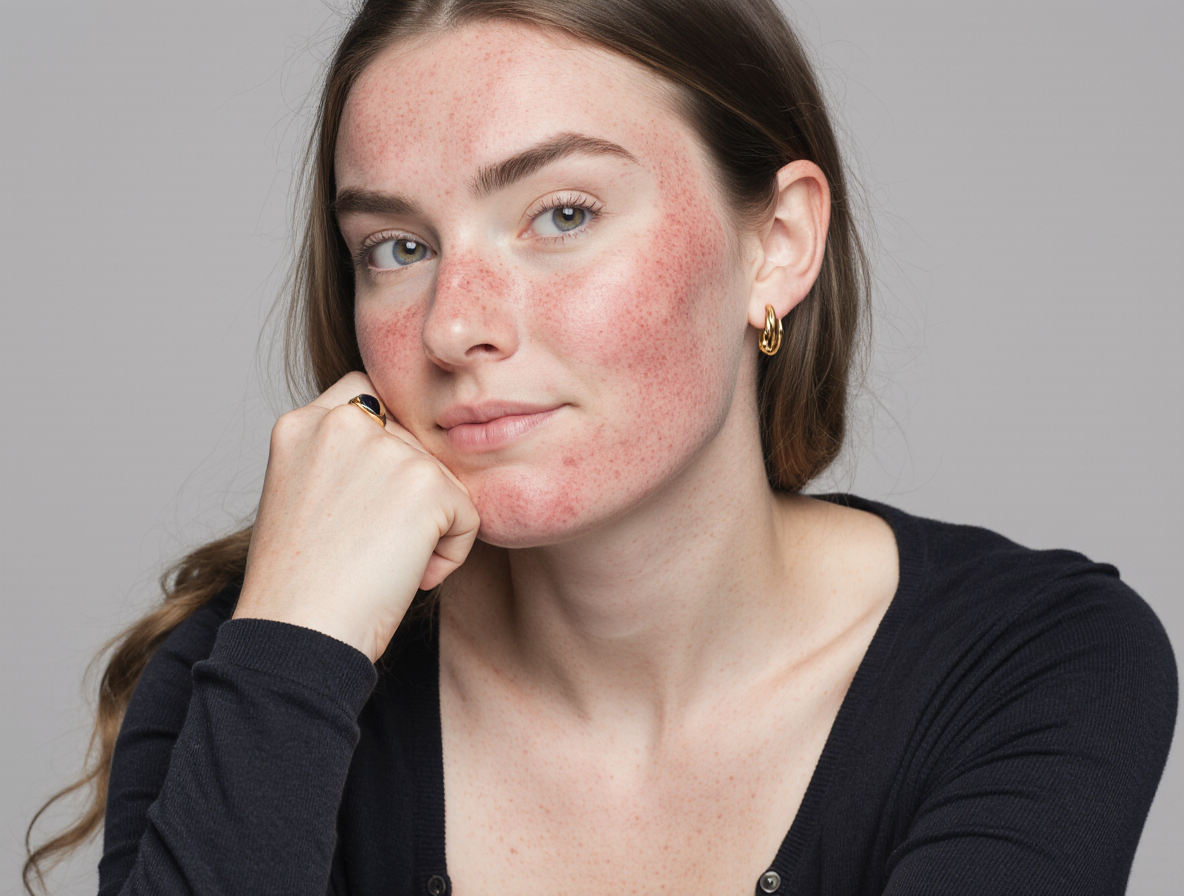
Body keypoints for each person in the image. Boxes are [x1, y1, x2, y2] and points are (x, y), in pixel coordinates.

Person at [23, 1, 1177, 894]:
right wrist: (290, 649)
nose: (453, 325)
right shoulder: (251, 668)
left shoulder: (1037, 665)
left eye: (561, 214)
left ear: (776, 243)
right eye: (396, 246)